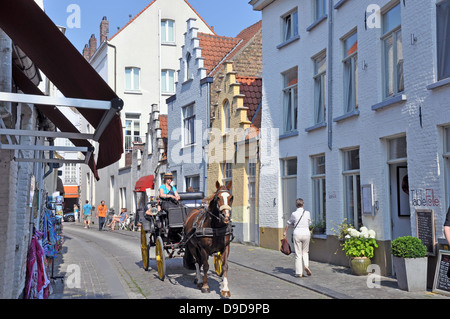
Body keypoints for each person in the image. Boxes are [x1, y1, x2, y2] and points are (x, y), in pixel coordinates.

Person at [283, 198, 312, 278]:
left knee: (298, 254)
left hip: (297, 234)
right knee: (305, 252)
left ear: (296, 205)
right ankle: (306, 265)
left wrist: (285, 232)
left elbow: (288, 223)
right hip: (306, 234)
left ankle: (299, 273)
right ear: (303, 204)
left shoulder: (294, 214)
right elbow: (309, 223)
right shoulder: (307, 213)